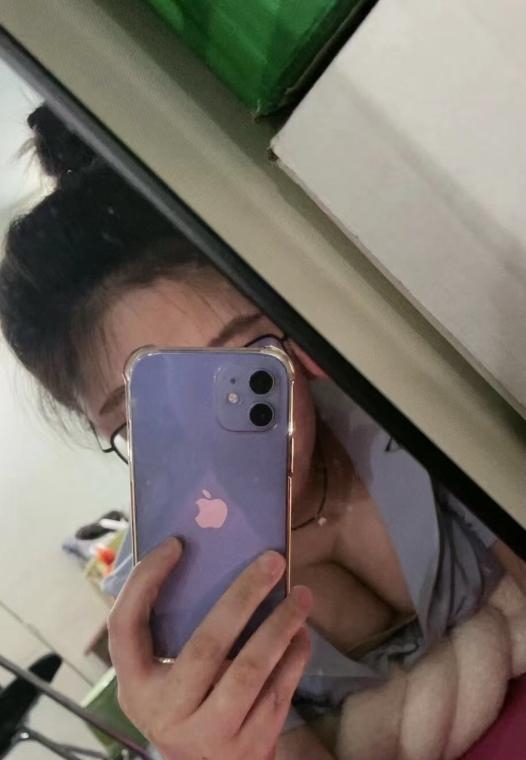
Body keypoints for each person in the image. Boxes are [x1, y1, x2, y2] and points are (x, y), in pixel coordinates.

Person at [0, 106, 523, 760]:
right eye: (158, 416)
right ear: (104, 429)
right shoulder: (168, 601)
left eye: (248, 369)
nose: (227, 442)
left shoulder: (405, 406)